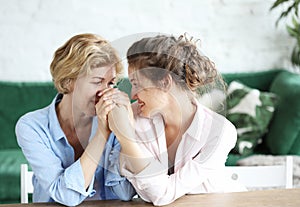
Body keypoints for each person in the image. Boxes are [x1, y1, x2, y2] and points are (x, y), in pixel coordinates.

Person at [108, 34, 246, 206]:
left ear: (165, 82)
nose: (132, 95)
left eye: (137, 84)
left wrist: (126, 137)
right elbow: (131, 192)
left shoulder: (220, 132)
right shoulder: (135, 116)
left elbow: (162, 194)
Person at [15, 33, 136, 206]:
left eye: (110, 83)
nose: (105, 93)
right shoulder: (32, 127)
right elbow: (66, 197)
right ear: (69, 81)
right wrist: (102, 134)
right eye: (97, 81)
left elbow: (124, 193)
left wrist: (127, 131)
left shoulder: (115, 118)